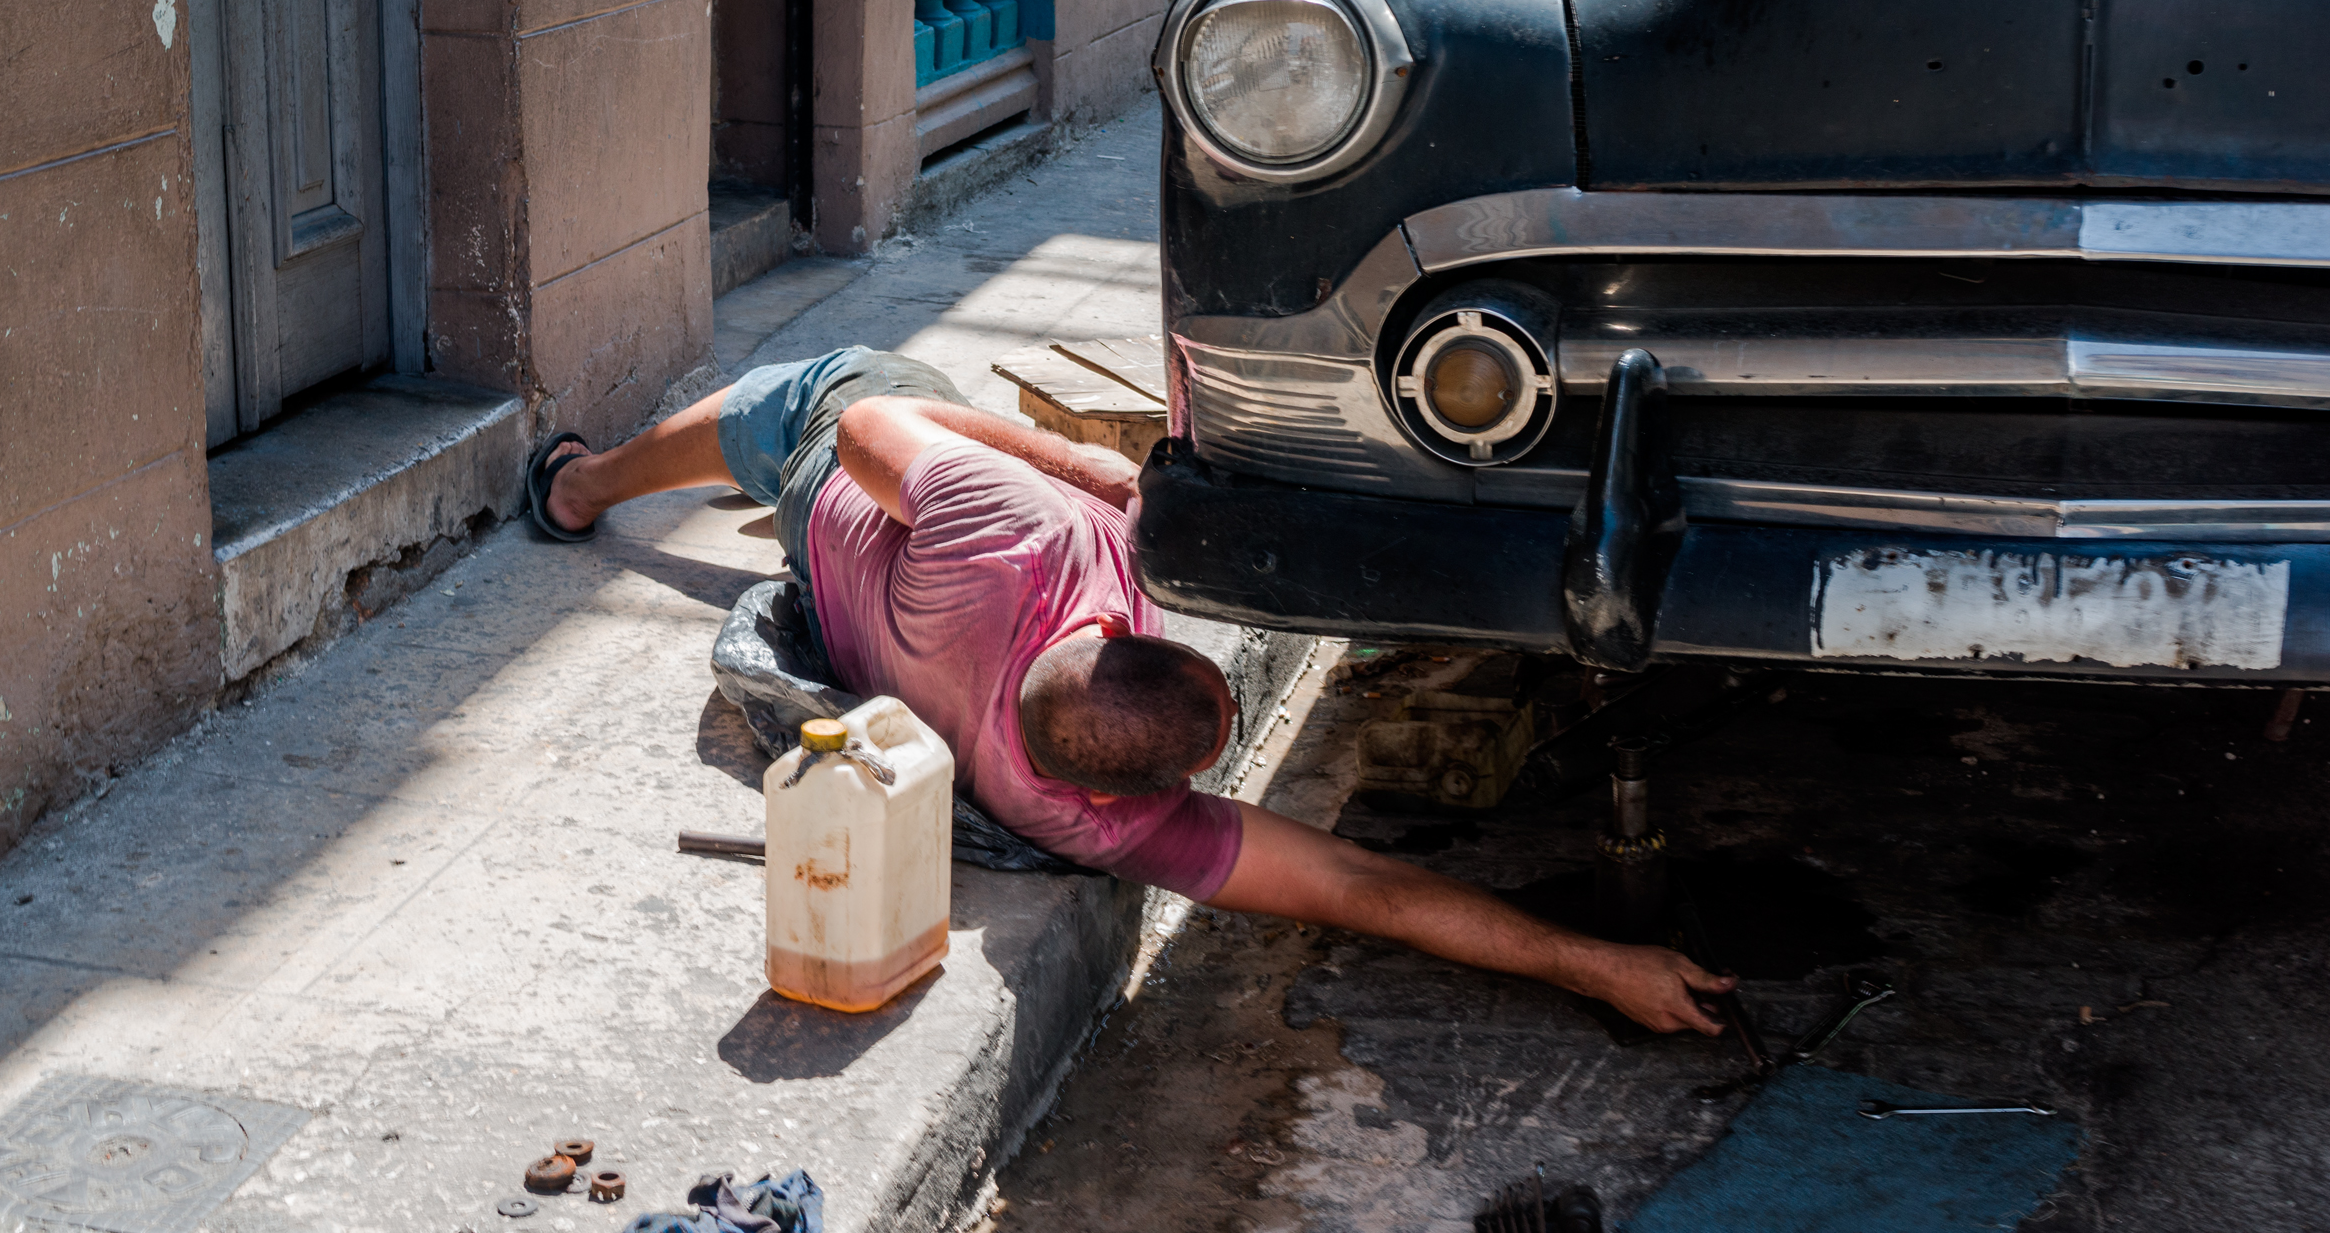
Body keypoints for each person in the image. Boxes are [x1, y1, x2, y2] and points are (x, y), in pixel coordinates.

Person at [527, 347, 1735, 1034]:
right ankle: (616, 487)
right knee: (863, 400)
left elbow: (872, 434)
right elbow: (1361, 888)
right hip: (848, 574)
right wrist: (1596, 966)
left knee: (834, 394)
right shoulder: (1089, 822)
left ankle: (582, 491)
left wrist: (1074, 473)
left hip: (833, 514)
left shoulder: (1016, 540)